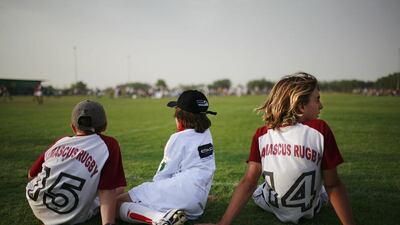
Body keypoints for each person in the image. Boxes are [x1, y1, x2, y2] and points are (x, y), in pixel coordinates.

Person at [197, 72, 355, 225]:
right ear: (300, 107)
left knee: (259, 187)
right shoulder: (320, 129)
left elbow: (248, 181)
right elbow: (333, 184)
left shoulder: (262, 134)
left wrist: (222, 223)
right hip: (309, 208)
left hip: (272, 205)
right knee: (322, 188)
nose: (321, 105)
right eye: (317, 99)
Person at [117, 90, 217, 225]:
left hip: (182, 193)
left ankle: (160, 219)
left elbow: (161, 177)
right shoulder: (207, 133)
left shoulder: (177, 138)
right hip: (198, 204)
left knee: (116, 204)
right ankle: (172, 215)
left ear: (180, 117)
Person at [26, 100, 126, 225]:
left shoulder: (61, 141)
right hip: (69, 215)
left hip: (37, 203)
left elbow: (31, 175)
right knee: (119, 188)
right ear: (105, 125)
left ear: (73, 127)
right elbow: (107, 190)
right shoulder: (109, 144)